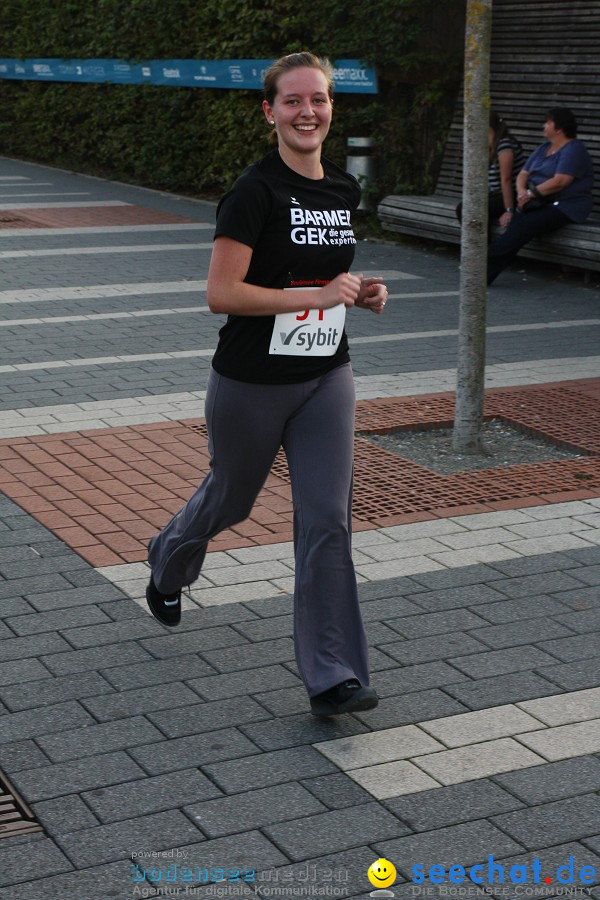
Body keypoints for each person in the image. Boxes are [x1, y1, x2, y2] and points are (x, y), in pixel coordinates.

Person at [145, 51, 388, 718]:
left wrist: (359, 293)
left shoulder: (342, 188)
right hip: (251, 382)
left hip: (326, 375)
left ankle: (334, 674)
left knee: (328, 519)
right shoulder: (254, 192)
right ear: (270, 112)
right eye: (293, 101)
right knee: (232, 497)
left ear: (332, 108)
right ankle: (168, 559)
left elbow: (324, 277)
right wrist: (315, 292)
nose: (308, 112)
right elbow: (222, 294)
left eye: (319, 100)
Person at [487, 107, 594, 285]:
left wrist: (530, 193)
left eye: (548, 122)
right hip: (538, 201)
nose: (544, 125)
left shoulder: (574, 149)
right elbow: (522, 174)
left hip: (566, 206)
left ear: (559, 129)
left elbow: (561, 181)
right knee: (518, 223)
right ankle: (485, 270)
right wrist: (521, 192)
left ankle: (483, 266)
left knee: (525, 224)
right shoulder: (544, 148)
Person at [456, 111, 525, 236]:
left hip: (509, 195)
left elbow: (506, 179)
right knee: (467, 207)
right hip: (494, 194)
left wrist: (509, 210)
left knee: (468, 209)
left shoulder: (505, 145)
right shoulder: (489, 145)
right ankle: (481, 248)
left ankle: (484, 249)